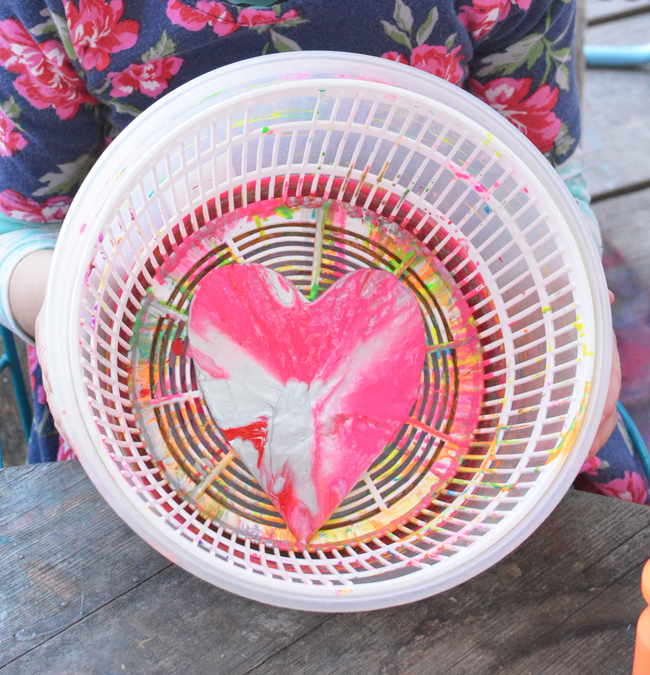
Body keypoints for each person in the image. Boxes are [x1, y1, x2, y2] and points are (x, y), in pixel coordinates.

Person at [0, 0, 645, 502]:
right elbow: (22, 229)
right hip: (151, 374)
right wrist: (66, 303)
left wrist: (570, 296)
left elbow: (545, 179)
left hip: (452, 349)